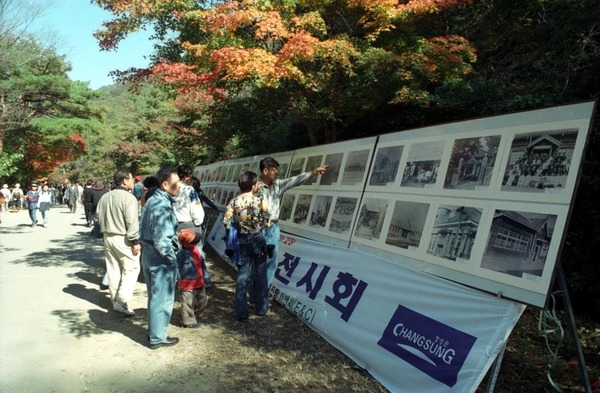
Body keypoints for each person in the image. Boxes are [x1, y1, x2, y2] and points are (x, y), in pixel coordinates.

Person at [256, 157, 328, 287]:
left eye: (277, 169)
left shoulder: (277, 185)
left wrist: (313, 172)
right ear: (265, 171)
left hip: (272, 228)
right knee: (257, 261)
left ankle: (262, 295)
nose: (276, 172)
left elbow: (294, 180)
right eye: (274, 170)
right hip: (258, 228)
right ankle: (255, 292)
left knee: (271, 262)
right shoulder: (255, 187)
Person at [139, 167, 181, 349]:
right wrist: (171, 257)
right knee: (162, 298)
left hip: (148, 254)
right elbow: (162, 239)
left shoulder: (152, 200)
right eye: (176, 182)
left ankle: (154, 331)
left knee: (155, 296)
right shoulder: (161, 205)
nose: (180, 186)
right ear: (165, 184)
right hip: (159, 257)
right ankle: (157, 336)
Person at [222, 171, 272, 320]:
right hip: (257, 238)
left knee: (242, 276)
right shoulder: (259, 201)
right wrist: (258, 227)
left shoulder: (233, 202)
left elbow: (226, 222)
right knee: (261, 273)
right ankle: (262, 307)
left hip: (241, 241)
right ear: (253, 185)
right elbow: (268, 221)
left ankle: (241, 312)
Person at [97, 169, 141, 317]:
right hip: (124, 238)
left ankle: (116, 301)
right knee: (132, 268)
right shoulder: (129, 198)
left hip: (107, 236)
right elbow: (132, 221)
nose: (133, 182)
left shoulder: (105, 197)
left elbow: (98, 215)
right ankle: (122, 300)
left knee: (113, 270)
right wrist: (135, 241)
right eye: (131, 179)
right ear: (124, 181)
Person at [174, 165, 213, 287]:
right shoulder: (189, 190)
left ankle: (179, 279)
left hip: (175, 225)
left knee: (177, 253)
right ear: (186, 177)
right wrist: (198, 222)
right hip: (190, 224)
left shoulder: (170, 189)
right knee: (197, 253)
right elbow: (196, 209)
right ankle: (204, 280)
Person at [176, 229, 209, 328]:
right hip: (187, 283)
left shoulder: (198, 250)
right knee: (187, 302)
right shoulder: (181, 254)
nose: (197, 242)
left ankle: (194, 314)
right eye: (194, 241)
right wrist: (178, 281)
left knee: (202, 300)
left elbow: (203, 265)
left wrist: (207, 279)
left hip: (199, 282)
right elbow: (177, 269)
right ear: (186, 244)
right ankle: (189, 321)